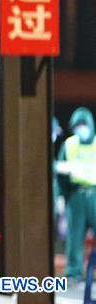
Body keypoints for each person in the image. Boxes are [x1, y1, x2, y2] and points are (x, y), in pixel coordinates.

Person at [57, 106, 96, 282]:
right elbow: (60, 172)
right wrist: (61, 196)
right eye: (77, 125)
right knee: (75, 236)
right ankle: (73, 272)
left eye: (83, 124)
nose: (81, 128)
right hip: (76, 195)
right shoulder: (69, 145)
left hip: (95, 194)